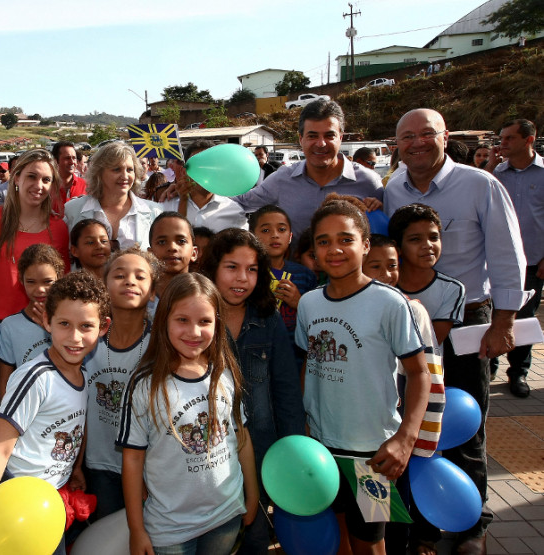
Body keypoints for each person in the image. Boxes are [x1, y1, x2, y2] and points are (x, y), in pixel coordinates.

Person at [384, 109, 527, 553]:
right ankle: (425, 524)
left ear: (445, 137)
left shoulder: (480, 184)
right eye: (407, 137)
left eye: (427, 134)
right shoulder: (391, 189)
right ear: (397, 144)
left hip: (468, 323)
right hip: (408, 327)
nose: (417, 143)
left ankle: (472, 523)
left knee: (465, 424)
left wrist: (503, 322)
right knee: (415, 421)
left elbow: (508, 255)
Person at [297, 198, 430, 554]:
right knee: (337, 536)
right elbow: (309, 365)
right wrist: (305, 422)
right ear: (313, 250)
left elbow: (419, 374)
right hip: (322, 448)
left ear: (366, 244)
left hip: (373, 454)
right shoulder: (309, 303)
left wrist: (405, 438)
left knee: (370, 542)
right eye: (323, 241)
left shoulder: (390, 303)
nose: (334, 249)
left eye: (345, 238)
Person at [0, 272, 111, 555]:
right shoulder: (35, 378)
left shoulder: (84, 373)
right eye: (64, 324)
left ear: (103, 327)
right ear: (46, 321)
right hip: (15, 502)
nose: (75, 337)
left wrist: (73, 469)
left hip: (49, 501)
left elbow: (75, 424)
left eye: (86, 326)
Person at [118, 272, 258, 554]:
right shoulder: (144, 385)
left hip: (226, 517)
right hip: (169, 529)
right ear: (164, 321)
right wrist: (136, 529)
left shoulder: (225, 375)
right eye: (182, 320)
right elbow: (132, 459)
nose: (194, 332)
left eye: (204, 321)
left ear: (217, 323)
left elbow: (241, 438)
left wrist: (252, 495)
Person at [200, 229, 305, 555]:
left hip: (260, 455)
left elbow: (286, 390)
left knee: (256, 540)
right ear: (213, 268)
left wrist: (290, 450)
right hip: (205, 456)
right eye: (232, 267)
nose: (242, 278)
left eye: (252, 269)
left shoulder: (267, 318)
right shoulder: (195, 319)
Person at [362, 234, 447, 555]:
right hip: (361, 429)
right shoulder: (342, 307)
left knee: (395, 503)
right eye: (376, 266)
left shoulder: (415, 311)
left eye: (392, 266)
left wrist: (418, 437)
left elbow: (431, 375)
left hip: (398, 428)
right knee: (371, 514)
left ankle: (402, 546)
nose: (386, 274)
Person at [234, 99, 384, 241]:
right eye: (312, 136)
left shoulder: (369, 183)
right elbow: (241, 202)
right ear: (301, 139)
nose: (321, 143)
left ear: (341, 138)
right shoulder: (283, 179)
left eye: (329, 135)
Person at [83, 246, 159, 519]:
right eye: (120, 275)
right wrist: (78, 465)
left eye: (140, 276)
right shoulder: (86, 341)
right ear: (104, 286)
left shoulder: (160, 346)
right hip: (98, 464)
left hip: (148, 468)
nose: (130, 281)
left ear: (152, 293)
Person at [0, 148, 70, 320]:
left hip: (38, 325)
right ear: (17, 177)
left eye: (46, 180)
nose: (39, 185)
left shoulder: (59, 228)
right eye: (32, 176)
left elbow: (62, 282)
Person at [491, 119, 544, 398]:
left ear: (528, 140)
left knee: (522, 319)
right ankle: (490, 363)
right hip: (497, 261)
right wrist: (489, 165)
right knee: (492, 315)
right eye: (502, 137)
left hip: (534, 261)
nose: (503, 143)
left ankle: (519, 373)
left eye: (509, 138)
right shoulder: (496, 173)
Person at [388, 203, 465, 346]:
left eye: (434, 237)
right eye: (415, 239)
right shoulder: (383, 284)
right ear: (397, 247)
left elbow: (430, 341)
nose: (428, 245)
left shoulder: (452, 289)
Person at [65, 142, 163, 251]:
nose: (125, 176)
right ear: (99, 173)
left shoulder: (155, 211)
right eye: (116, 169)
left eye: (130, 170)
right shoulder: (72, 210)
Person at [0, 244, 65, 395]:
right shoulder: (10, 326)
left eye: (47, 281)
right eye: (31, 282)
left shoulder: (70, 321)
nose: (40, 289)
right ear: (21, 280)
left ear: (58, 277)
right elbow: (5, 381)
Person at [250, 205, 318, 355]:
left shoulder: (306, 276)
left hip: (295, 354)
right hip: (255, 352)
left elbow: (318, 319)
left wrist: (299, 303)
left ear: (290, 237)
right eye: (266, 230)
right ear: (252, 235)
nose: (275, 235)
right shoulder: (248, 273)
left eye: (281, 229)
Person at [164, 140, 249, 232]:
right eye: (197, 166)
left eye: (210, 165)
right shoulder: (166, 207)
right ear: (184, 171)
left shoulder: (234, 211)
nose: (204, 172)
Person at [148, 211, 197, 300]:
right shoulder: (140, 298)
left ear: (194, 253)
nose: (172, 247)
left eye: (181, 241)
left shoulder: (204, 297)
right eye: (162, 242)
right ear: (150, 254)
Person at [52, 141, 88, 211]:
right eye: (67, 158)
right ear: (55, 161)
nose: (72, 162)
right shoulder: (46, 187)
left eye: (74, 158)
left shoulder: (86, 186)